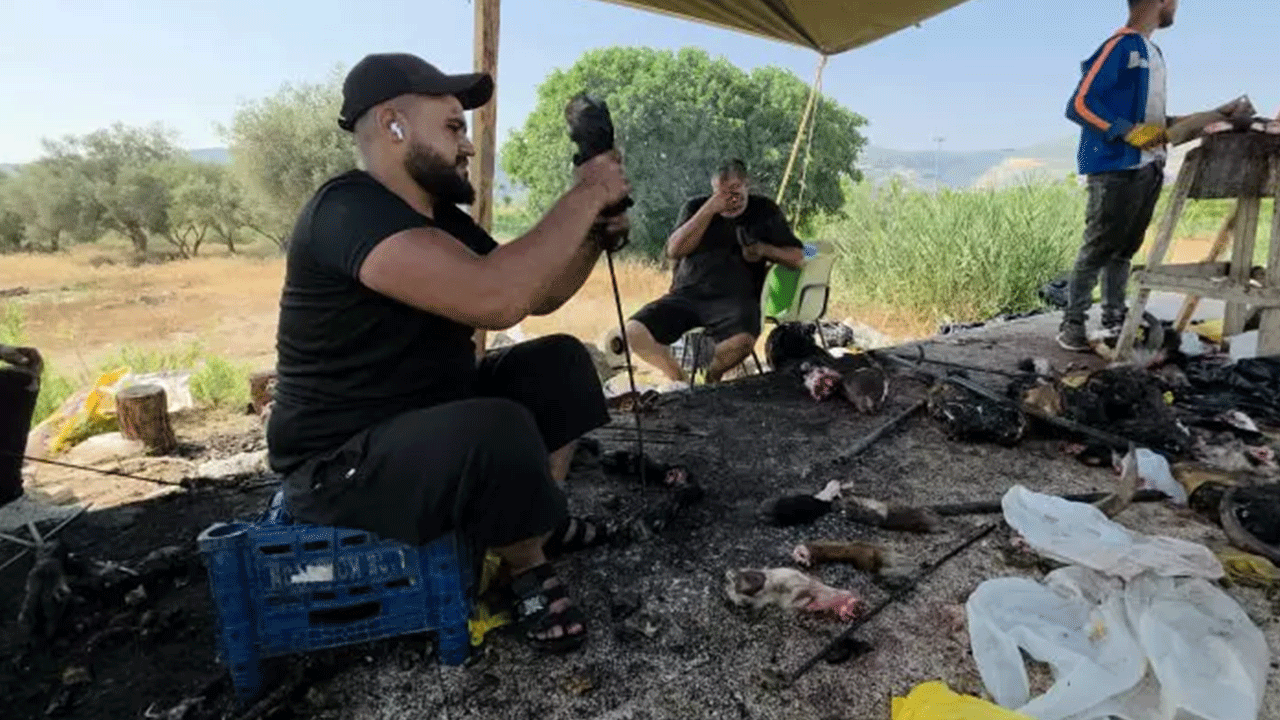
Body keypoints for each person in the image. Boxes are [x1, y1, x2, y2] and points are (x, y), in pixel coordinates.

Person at [265, 52, 632, 654]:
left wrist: (593, 234)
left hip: (426, 424)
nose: (467, 147)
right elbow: (497, 299)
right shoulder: (345, 210)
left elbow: (537, 295)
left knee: (560, 362)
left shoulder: (438, 218)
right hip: (340, 465)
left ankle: (536, 522)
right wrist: (588, 193)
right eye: (454, 126)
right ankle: (526, 569)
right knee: (494, 428)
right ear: (393, 124)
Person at [1058, 0, 1180, 352]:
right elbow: (1079, 104)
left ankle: (1113, 319)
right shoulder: (1119, 45)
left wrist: (1204, 118)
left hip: (1149, 164)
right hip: (1115, 166)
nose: (1176, 7)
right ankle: (1073, 324)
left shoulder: (1153, 52)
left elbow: (1152, 122)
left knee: (1124, 250)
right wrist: (1128, 133)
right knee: (1098, 247)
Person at [624, 159, 805, 382]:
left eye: (736, 191)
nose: (731, 199)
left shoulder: (764, 210)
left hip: (736, 300)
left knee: (743, 342)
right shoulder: (695, 207)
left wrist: (762, 250)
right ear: (713, 190)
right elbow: (674, 250)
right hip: (687, 295)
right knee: (634, 331)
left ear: (747, 184)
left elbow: (797, 258)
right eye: (723, 193)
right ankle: (678, 378)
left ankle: (712, 377)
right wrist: (709, 209)